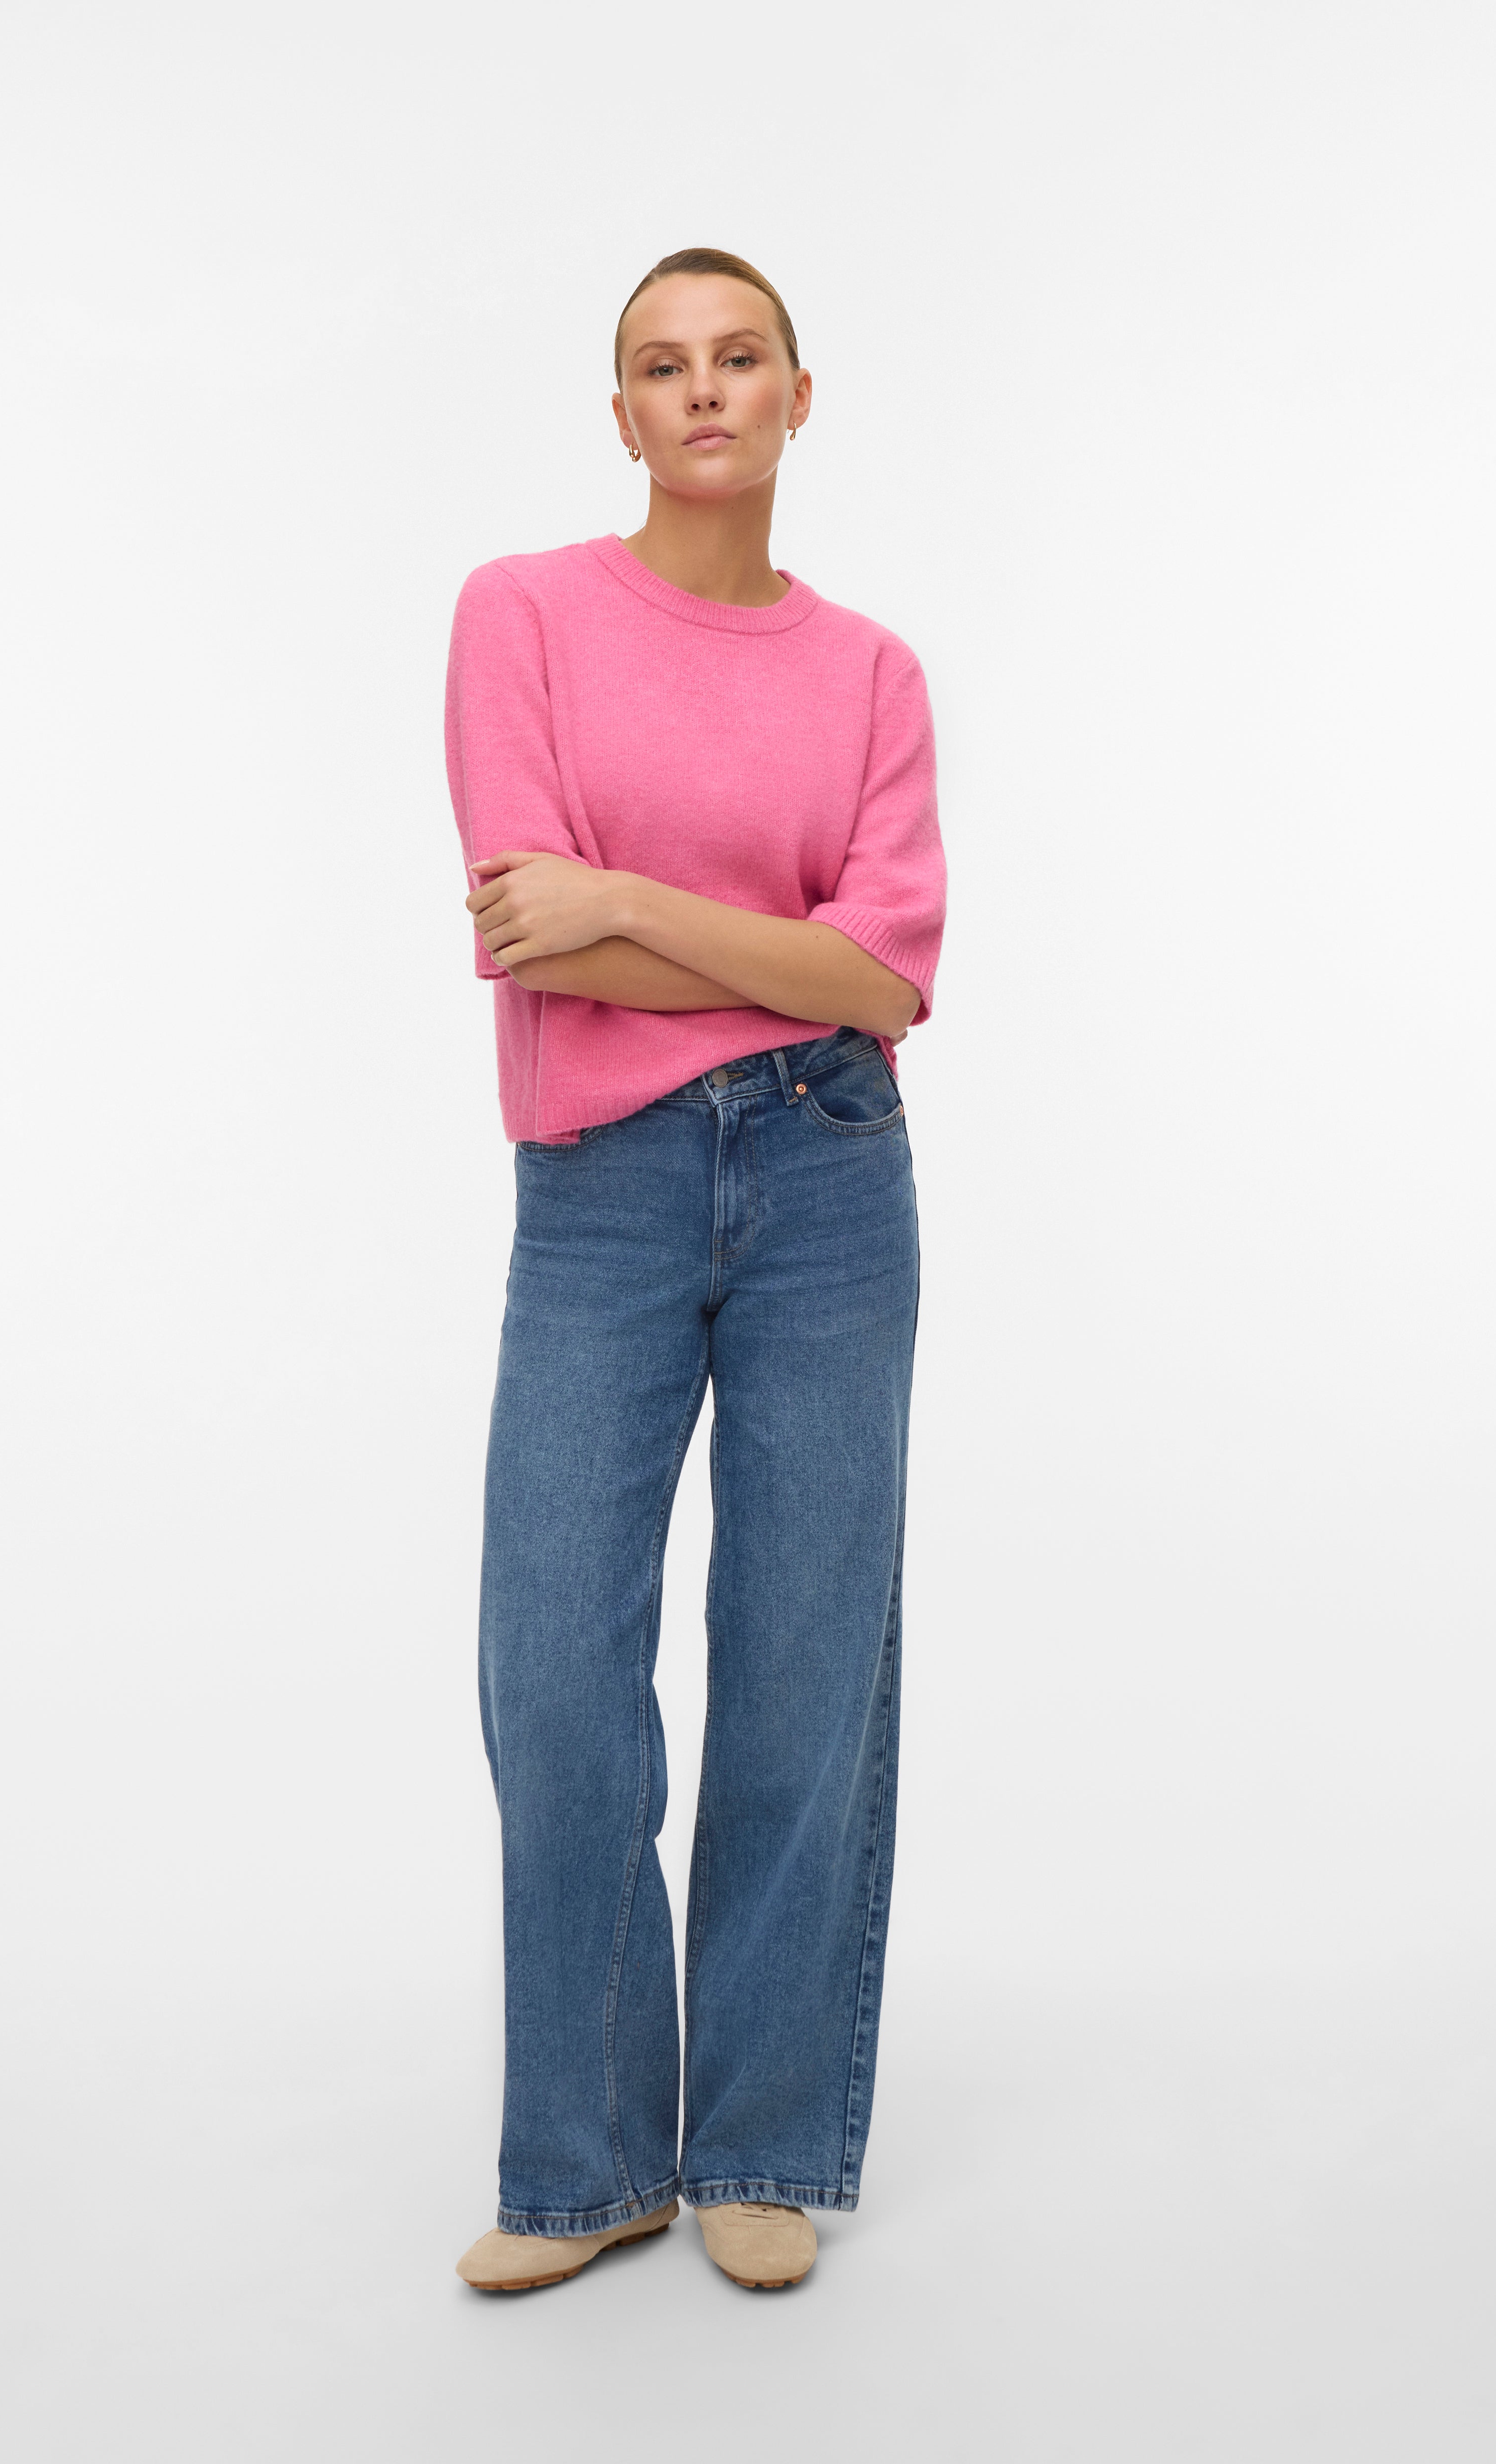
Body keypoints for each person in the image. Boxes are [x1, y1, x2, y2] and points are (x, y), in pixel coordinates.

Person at [446, 247, 946, 2295]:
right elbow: (520, 928)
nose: (705, 389)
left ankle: (756, 2136)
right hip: (601, 1184)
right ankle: (582, 2163)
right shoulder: (522, 613)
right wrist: (767, 950)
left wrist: (631, 905)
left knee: (802, 1659)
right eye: (664, 366)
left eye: (740, 358)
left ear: (799, 397)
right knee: (554, 1665)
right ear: (623, 413)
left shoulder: (871, 672)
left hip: (832, 1171)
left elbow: (885, 981)